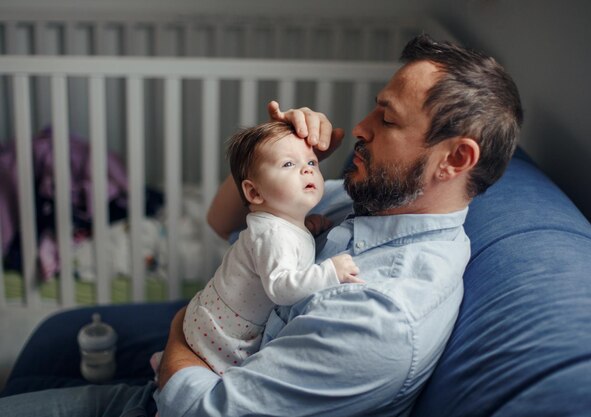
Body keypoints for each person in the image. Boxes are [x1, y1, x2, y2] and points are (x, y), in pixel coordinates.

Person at [0, 34, 523, 417]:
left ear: (455, 159)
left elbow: (199, 412)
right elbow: (223, 219)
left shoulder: (383, 319)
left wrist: (180, 328)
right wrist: (279, 158)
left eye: (386, 119)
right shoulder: (376, 205)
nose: (360, 127)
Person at [152, 121, 361, 380]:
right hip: (223, 332)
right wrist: (330, 272)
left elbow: (289, 237)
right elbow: (281, 287)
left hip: (220, 318)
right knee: (209, 372)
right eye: (288, 164)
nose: (307, 171)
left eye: (311, 163)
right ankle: (166, 387)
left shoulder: (284, 221)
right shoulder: (273, 234)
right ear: (254, 191)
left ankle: (164, 367)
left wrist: (307, 226)